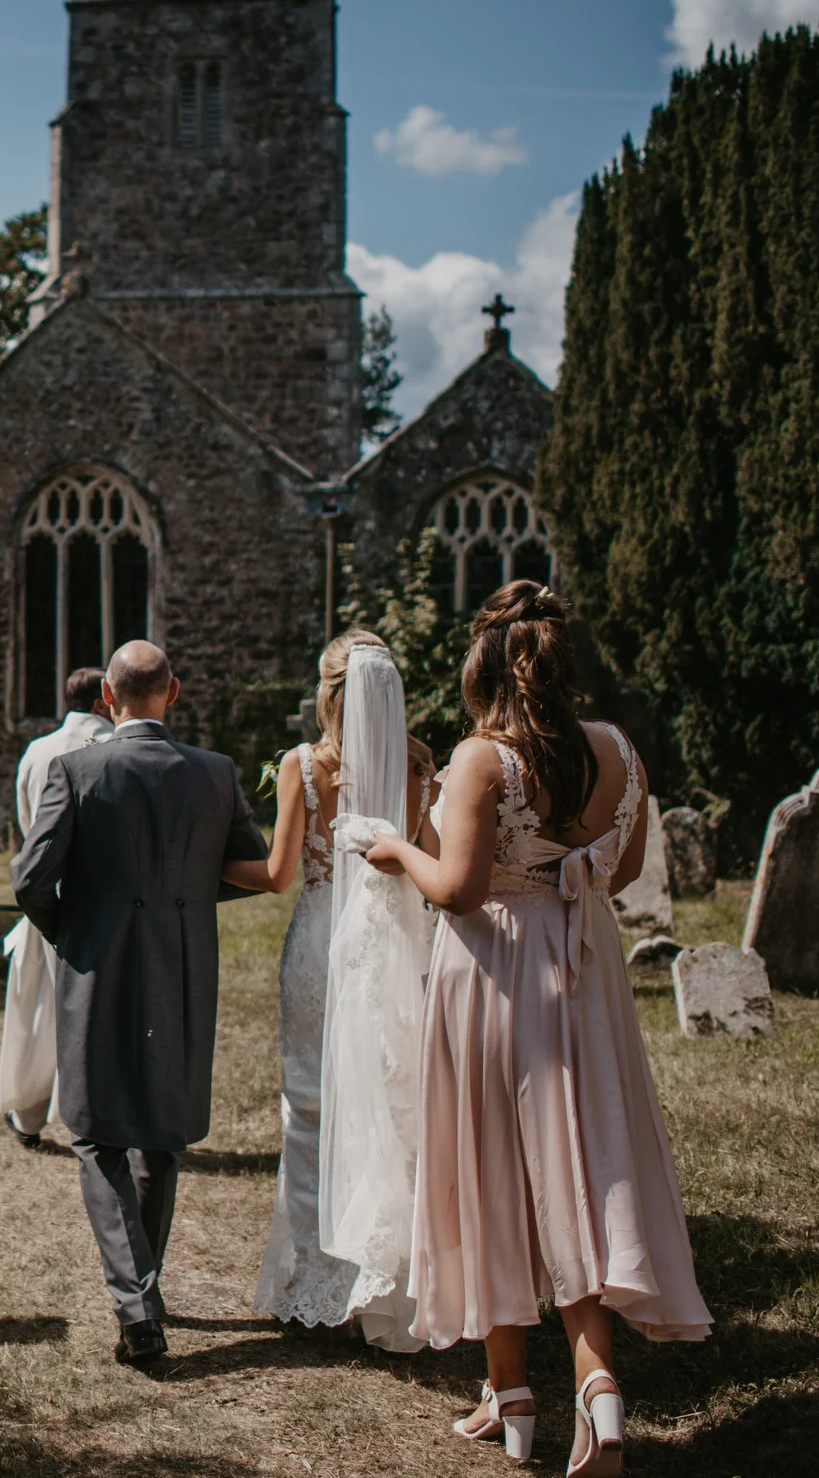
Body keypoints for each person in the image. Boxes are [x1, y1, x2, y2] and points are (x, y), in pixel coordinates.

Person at [359, 581, 710, 1477]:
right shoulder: (619, 751)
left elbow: (459, 892)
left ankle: (514, 1392)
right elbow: (622, 869)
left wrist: (398, 849)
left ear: (486, 667)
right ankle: (594, 1391)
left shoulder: (482, 759)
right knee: (580, 1172)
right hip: (585, 976)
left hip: (494, 979)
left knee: (491, 1173)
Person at [11, 640, 267, 1373]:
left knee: (94, 1133)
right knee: (160, 1135)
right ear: (174, 692)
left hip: (98, 967)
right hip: (182, 968)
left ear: (108, 701)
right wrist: (179, 903)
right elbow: (243, 868)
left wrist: (79, 931)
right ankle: (142, 1293)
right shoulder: (216, 775)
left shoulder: (76, 769)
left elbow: (31, 881)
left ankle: (137, 1305)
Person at [228, 633, 436, 1350]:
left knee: (312, 1110)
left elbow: (279, 873)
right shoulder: (418, 766)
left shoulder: (304, 767)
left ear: (329, 693)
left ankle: (313, 1285)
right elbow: (426, 864)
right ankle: (384, 1287)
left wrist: (206, 863)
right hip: (392, 942)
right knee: (389, 1106)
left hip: (322, 942)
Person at [0, 666, 112, 1148]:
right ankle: (92, 1113)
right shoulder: (114, 747)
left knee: (41, 1006)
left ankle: (28, 1116)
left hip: (44, 893)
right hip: (99, 895)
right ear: (106, 699)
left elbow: (27, 820)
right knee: (94, 1010)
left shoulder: (37, 750)